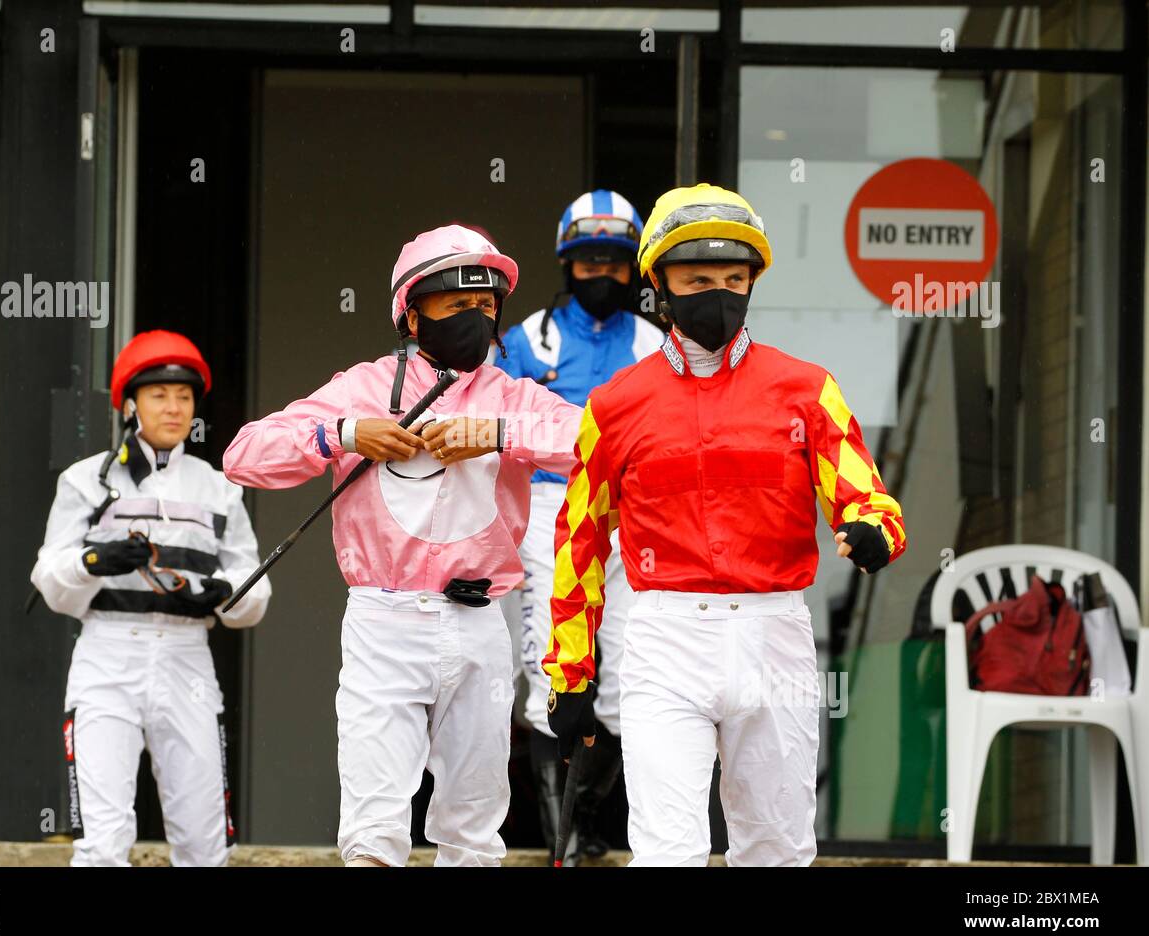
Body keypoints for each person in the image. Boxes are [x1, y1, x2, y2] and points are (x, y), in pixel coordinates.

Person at [542, 185, 908, 866]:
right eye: (698, 279)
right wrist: (571, 670)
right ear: (659, 284)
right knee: (668, 851)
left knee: (777, 847)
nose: (719, 292)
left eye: (734, 279)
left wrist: (872, 529)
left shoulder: (807, 387)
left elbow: (864, 493)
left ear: (753, 281)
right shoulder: (615, 403)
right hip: (663, 635)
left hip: (775, 633)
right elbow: (579, 538)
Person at [222, 225, 582, 866]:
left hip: (481, 623)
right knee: (373, 828)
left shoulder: (514, 396)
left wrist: (497, 434)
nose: (477, 318)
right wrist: (344, 434)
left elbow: (598, 444)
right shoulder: (360, 387)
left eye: (486, 306)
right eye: (457, 305)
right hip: (383, 621)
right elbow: (243, 456)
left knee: (473, 830)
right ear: (413, 314)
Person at [31, 329, 271, 866]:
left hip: (187, 657)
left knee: (205, 842)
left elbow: (253, 584)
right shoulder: (84, 481)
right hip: (106, 656)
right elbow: (48, 576)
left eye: (184, 397)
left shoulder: (219, 486)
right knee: (102, 839)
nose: (173, 407)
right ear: (131, 403)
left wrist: (220, 594)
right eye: (159, 395)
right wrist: (93, 562)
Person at [496, 189, 663, 864]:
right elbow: (497, 437)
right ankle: (556, 838)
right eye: (589, 261)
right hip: (546, 512)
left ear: (634, 269)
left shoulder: (657, 343)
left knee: (626, 677)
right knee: (548, 668)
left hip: (630, 517)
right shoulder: (525, 339)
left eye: (617, 263)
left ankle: (590, 827)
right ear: (567, 264)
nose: (603, 274)